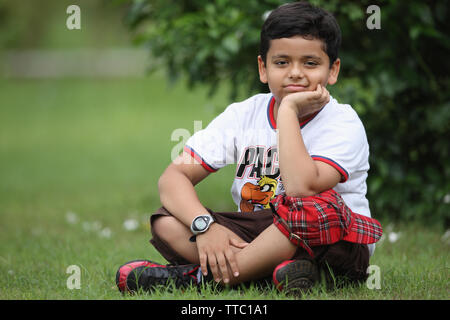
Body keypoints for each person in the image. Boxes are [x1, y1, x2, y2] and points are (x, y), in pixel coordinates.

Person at [116, 1, 382, 295]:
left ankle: (206, 278)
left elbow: (302, 189)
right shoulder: (244, 114)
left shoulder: (343, 122)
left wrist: (288, 112)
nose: (295, 73)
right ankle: (272, 274)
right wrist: (205, 227)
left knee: (307, 211)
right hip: (260, 233)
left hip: (333, 240)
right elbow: (172, 179)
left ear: (332, 71)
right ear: (263, 68)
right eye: (282, 63)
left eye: (310, 63)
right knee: (167, 220)